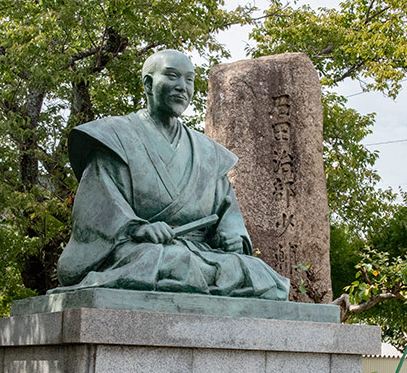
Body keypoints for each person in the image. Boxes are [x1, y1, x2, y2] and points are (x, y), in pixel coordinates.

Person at [54, 50, 290, 300]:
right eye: (172, 76)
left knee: (258, 273)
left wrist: (232, 237)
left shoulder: (206, 152)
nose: (182, 87)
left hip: (201, 253)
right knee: (174, 263)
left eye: (189, 80)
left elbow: (227, 214)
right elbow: (97, 211)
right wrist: (138, 228)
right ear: (148, 83)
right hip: (138, 250)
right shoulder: (116, 138)